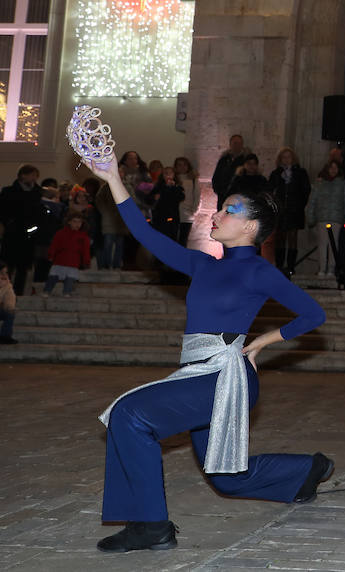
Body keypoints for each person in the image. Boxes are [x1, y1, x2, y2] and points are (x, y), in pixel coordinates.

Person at [83, 147, 331, 553]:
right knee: (228, 478)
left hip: (225, 378)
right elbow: (145, 235)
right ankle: (309, 468)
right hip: (198, 375)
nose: (216, 215)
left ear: (251, 226)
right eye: (219, 209)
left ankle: (151, 526)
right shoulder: (204, 265)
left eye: (228, 210)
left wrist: (262, 344)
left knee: (130, 414)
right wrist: (113, 179)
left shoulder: (258, 271)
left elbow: (312, 314)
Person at [0, 164, 50, 294]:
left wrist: (37, 225)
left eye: (36, 176)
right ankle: (4, 292)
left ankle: (18, 292)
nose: (35, 178)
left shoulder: (38, 193)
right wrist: (10, 222)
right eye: (33, 175)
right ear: (23, 175)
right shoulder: (8, 192)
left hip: (30, 235)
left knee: (23, 267)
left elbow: (43, 213)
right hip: (12, 234)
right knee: (8, 266)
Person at [267, 148, 311, 278]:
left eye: (289, 157)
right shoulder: (276, 174)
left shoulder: (300, 173)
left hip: (294, 210)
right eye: (284, 157)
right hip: (280, 210)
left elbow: (305, 190)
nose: (286, 159)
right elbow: (270, 190)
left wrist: (299, 205)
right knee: (280, 238)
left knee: (292, 238)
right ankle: (279, 266)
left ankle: (291, 267)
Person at [307, 160, 345, 278]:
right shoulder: (319, 184)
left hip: (336, 218)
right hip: (322, 217)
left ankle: (331, 268)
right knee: (323, 244)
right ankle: (322, 268)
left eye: (335, 168)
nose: (333, 170)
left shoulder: (343, 184)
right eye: (331, 167)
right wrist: (310, 218)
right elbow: (312, 201)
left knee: (334, 244)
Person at [43, 211, 92, 297]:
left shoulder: (83, 236)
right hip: (60, 260)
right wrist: (51, 255)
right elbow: (54, 245)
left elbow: (85, 250)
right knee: (53, 277)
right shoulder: (61, 233)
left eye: (79, 222)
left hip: (73, 261)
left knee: (70, 279)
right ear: (69, 222)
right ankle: (47, 291)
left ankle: (67, 292)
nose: (77, 224)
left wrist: (86, 261)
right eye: (74, 221)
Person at [210, 134, 248, 205]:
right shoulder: (224, 159)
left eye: (240, 143)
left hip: (238, 199)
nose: (237, 145)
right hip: (223, 197)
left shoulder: (246, 160)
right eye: (235, 143)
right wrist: (218, 190)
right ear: (230, 144)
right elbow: (216, 176)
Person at [172, 157, 200, 248]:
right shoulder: (173, 179)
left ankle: (181, 260)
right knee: (173, 237)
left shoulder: (193, 180)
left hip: (187, 213)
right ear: (175, 167)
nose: (182, 167)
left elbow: (197, 195)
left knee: (183, 239)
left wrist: (194, 210)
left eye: (184, 164)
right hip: (174, 212)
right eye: (179, 165)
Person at [0, 260, 16, 344]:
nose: (4, 276)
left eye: (6, 273)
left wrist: (6, 307)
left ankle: (5, 337)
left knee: (10, 313)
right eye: (1, 273)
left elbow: (10, 304)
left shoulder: (7, 286)